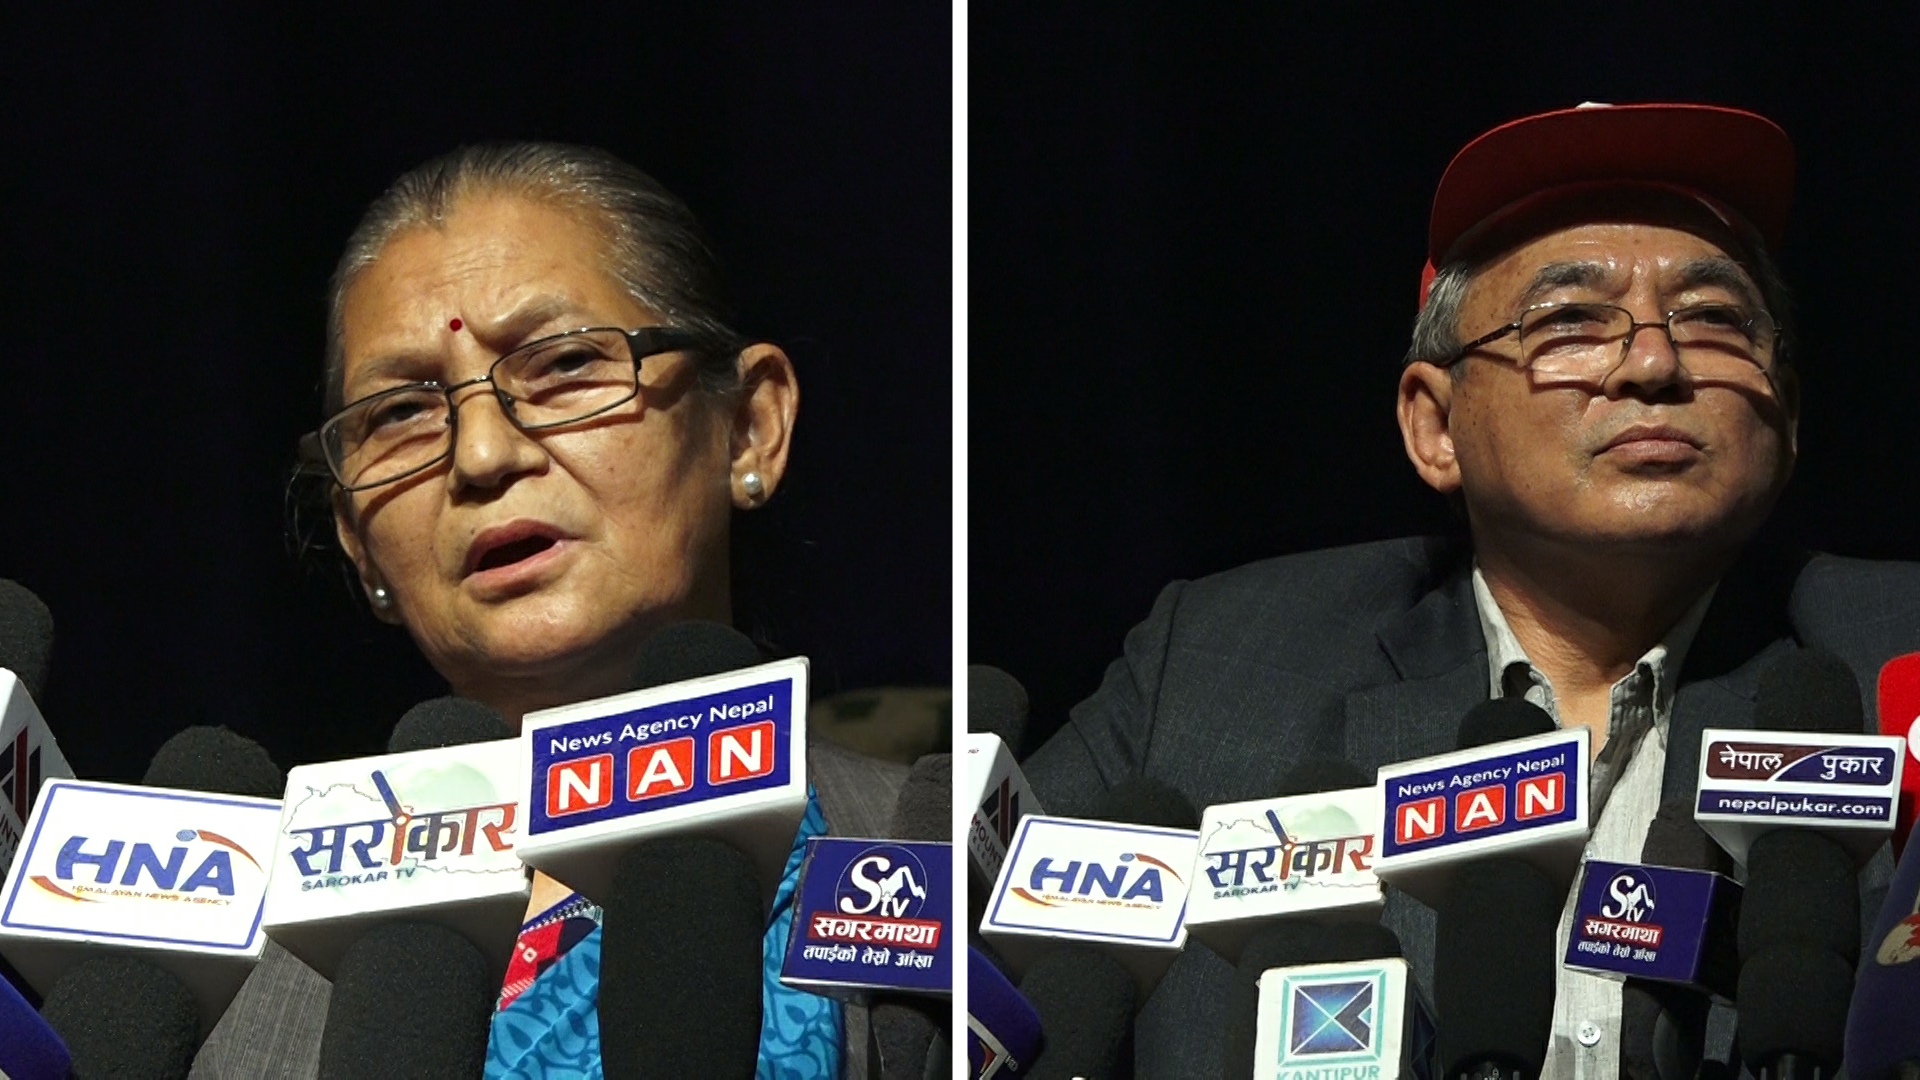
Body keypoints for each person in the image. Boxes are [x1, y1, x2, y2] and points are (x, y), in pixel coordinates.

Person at [1020, 103, 1920, 1077]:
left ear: (1786, 413)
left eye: (1714, 320)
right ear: (1435, 427)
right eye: (1570, 322)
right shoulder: (1213, 669)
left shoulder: (1892, 651)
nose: (1656, 364)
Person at [191, 143, 908, 1078]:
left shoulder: (939, 859)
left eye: (565, 364)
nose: (482, 456)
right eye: (400, 414)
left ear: (749, 427)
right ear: (357, 540)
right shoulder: (220, 999)